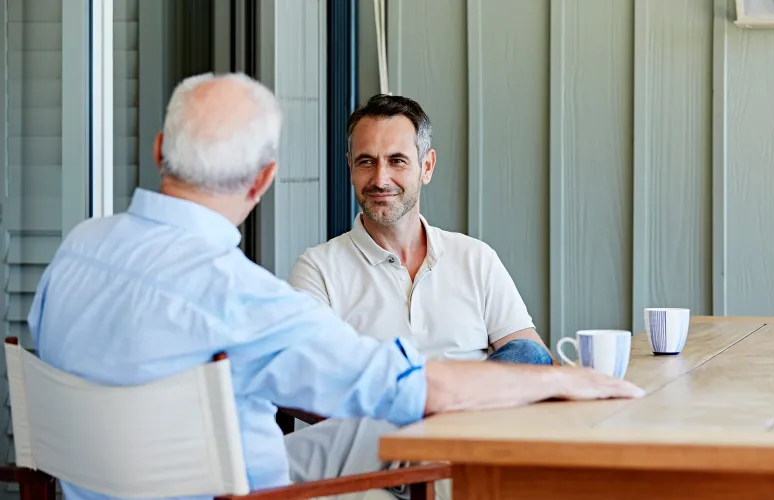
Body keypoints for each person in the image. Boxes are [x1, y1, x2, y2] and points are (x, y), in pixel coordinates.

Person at [28, 73, 643, 500]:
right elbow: (407, 389)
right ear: (264, 179)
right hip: (241, 494)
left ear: (162, 150)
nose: (381, 178)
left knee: (382, 433)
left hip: (113, 487)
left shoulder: (76, 251)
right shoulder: (244, 298)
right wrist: (565, 376)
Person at [290, 94, 552, 365]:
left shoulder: (476, 258)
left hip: (476, 406)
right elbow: (308, 385)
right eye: (366, 162)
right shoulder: (317, 269)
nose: (380, 180)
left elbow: (536, 362)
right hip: (384, 405)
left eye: (397, 161)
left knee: (529, 353)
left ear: (426, 167)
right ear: (350, 167)